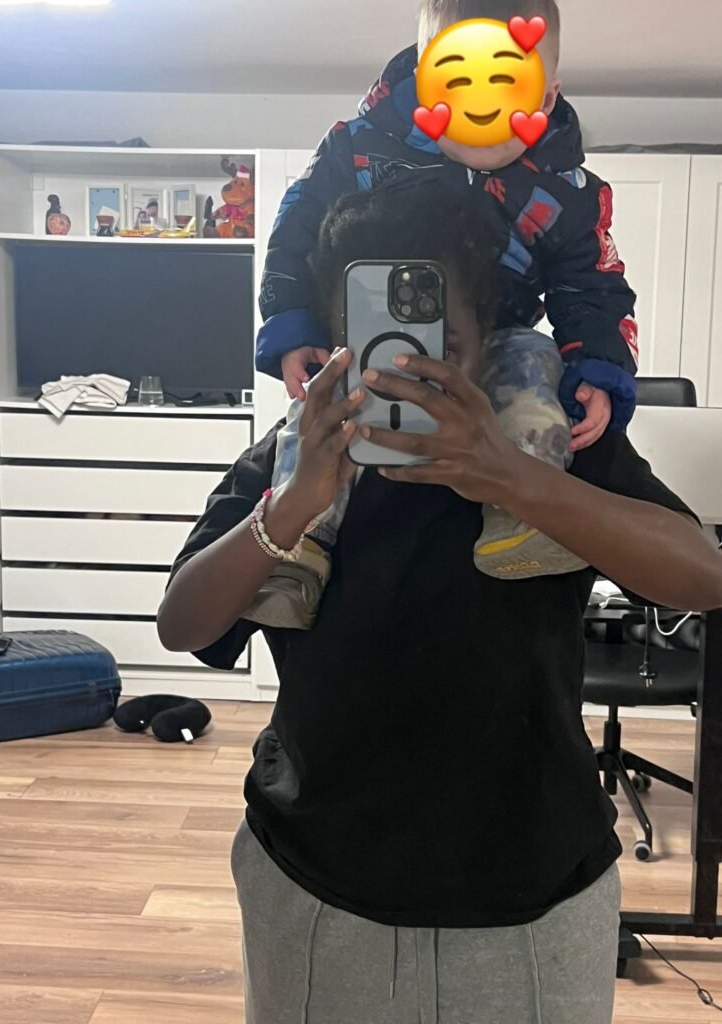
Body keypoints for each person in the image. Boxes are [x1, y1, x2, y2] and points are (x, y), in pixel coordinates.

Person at [157, 184, 722, 1024]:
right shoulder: (297, 452)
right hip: (315, 881)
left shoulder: (549, 442)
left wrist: (511, 477)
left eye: (439, 343)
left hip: (534, 890)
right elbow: (184, 625)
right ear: (335, 338)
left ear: (486, 336)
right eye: (372, 339)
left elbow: (703, 576)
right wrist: (297, 502)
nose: (406, 367)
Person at [252, 0, 641, 622]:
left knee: (536, 371)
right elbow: (298, 231)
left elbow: (592, 281)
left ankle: (523, 521)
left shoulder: (567, 191)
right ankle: (301, 547)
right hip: (366, 331)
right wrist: (292, 320)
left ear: (546, 98)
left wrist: (598, 363)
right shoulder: (359, 150)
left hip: (499, 340)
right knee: (318, 413)